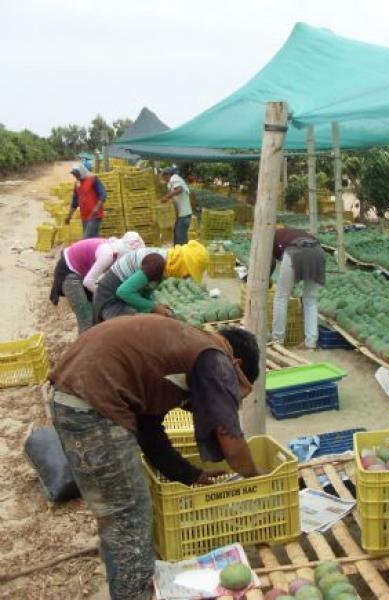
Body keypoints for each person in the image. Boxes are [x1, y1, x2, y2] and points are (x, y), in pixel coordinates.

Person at [48, 315, 263, 600]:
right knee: (129, 516)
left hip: (75, 398)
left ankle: (124, 587)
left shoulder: (183, 348)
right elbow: (232, 444)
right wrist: (257, 479)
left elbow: (149, 430)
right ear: (237, 366)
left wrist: (190, 474)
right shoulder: (215, 359)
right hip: (92, 407)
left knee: (120, 515)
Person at [93, 240, 208, 323]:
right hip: (110, 301)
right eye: (188, 272)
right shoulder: (157, 264)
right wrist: (153, 307)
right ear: (182, 264)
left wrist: (154, 304)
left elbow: (144, 290)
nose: (186, 277)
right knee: (142, 329)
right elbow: (123, 292)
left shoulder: (167, 264)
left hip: (120, 299)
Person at [50, 232, 145, 333]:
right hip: (69, 274)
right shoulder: (108, 254)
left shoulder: (114, 246)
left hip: (84, 272)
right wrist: (106, 295)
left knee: (97, 310)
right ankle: (86, 346)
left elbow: (103, 277)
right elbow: (88, 282)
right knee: (86, 317)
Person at [270, 228, 326, 348]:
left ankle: (277, 340)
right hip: (317, 252)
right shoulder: (291, 232)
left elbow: (271, 262)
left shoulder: (271, 238)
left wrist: (268, 280)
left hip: (294, 253)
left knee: (281, 297)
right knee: (310, 300)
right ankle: (311, 343)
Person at [65, 163, 107, 238]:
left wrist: (96, 208)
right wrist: (69, 216)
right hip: (84, 216)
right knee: (92, 238)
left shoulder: (93, 179)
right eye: (74, 175)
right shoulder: (77, 184)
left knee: (87, 237)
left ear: (81, 172)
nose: (75, 176)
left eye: (76, 174)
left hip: (94, 215)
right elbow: (74, 202)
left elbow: (103, 194)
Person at [159, 166, 193, 245]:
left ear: (167, 175)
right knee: (178, 236)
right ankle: (179, 253)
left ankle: (183, 254)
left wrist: (166, 197)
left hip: (183, 215)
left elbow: (179, 189)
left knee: (180, 238)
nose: (163, 179)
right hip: (183, 215)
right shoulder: (174, 180)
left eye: (163, 177)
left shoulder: (174, 178)